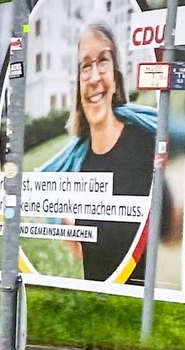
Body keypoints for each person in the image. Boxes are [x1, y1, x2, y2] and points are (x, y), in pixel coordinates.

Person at [49, 23, 158, 283]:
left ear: (115, 74)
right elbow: (77, 251)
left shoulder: (146, 143)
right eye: (85, 66)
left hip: (148, 298)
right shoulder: (73, 166)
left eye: (103, 61)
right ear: (77, 82)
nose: (95, 77)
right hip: (100, 300)